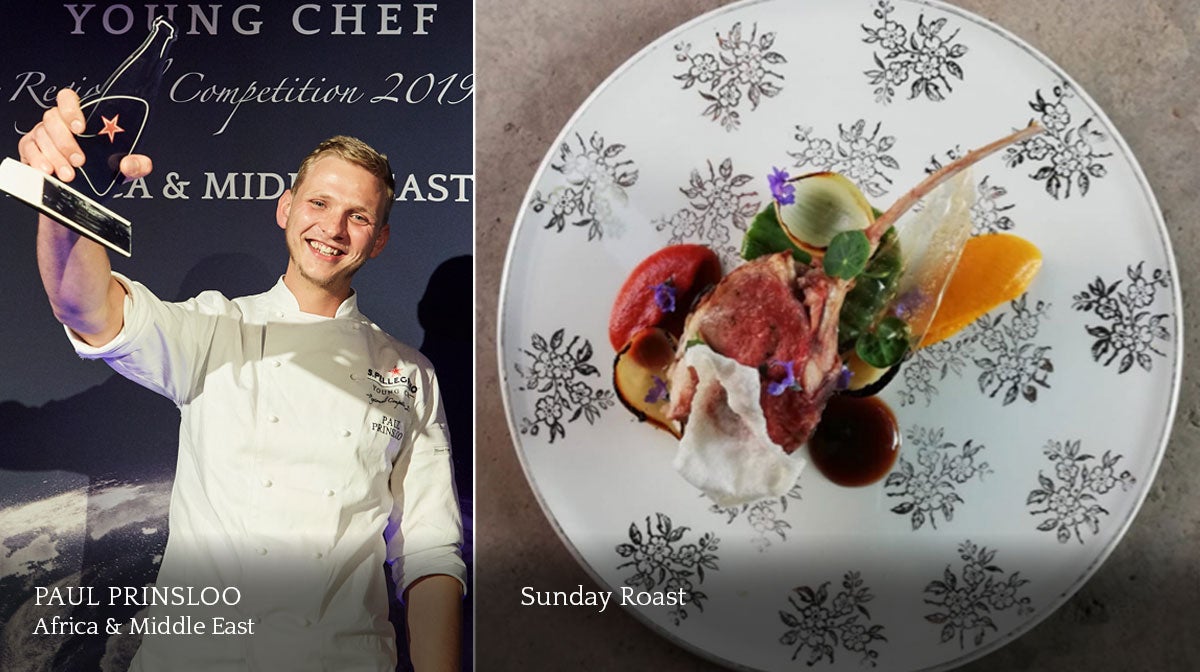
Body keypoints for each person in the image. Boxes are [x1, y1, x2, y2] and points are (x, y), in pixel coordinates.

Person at [19, 89, 465, 671]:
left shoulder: (410, 375)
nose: (333, 228)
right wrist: (67, 200)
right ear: (286, 209)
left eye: (358, 216)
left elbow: (430, 552)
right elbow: (88, 310)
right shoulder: (213, 326)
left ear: (378, 239)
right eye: (319, 203)